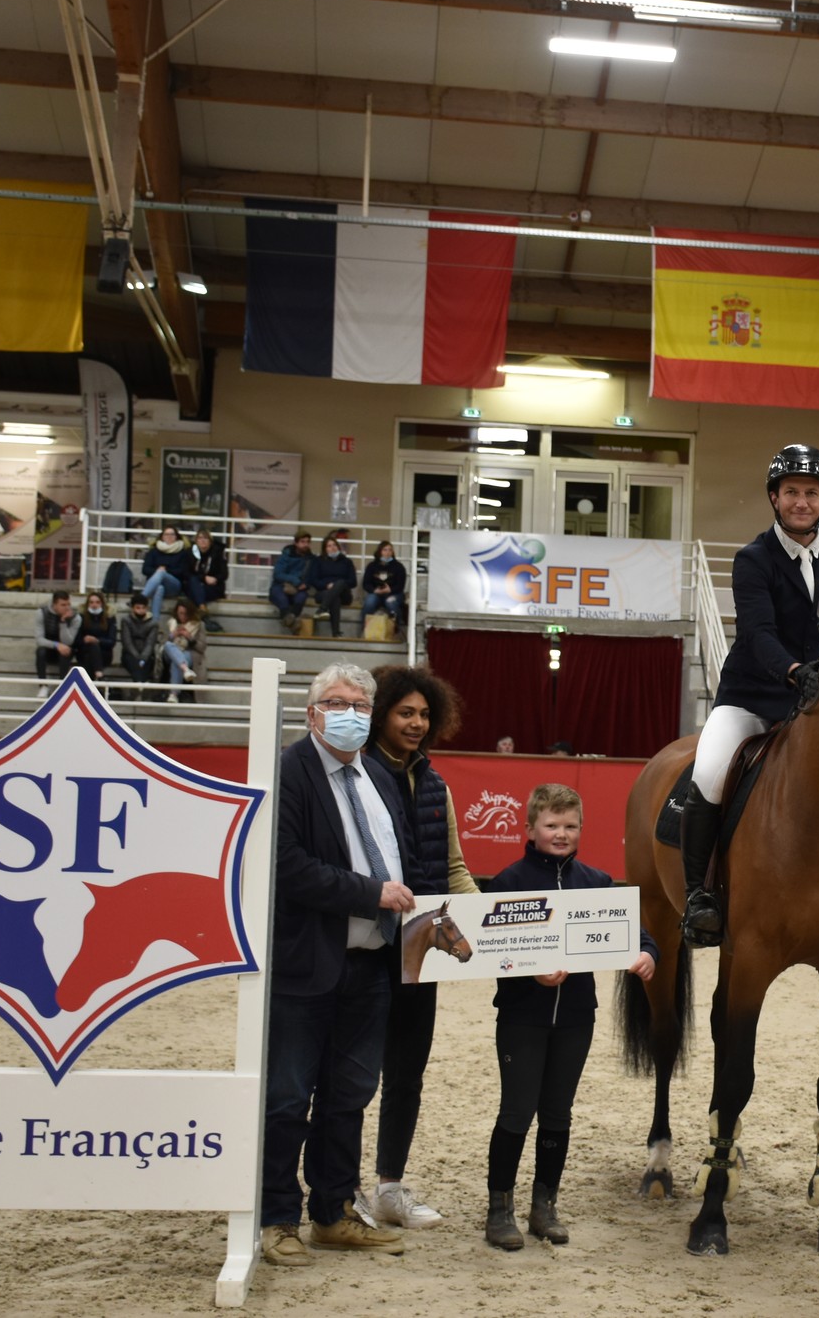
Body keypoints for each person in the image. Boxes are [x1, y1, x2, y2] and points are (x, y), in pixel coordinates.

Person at [680, 444, 819, 953]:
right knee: (710, 773)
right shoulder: (753, 559)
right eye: (791, 492)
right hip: (753, 697)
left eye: (811, 493)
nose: (801, 502)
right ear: (774, 498)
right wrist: (793, 671)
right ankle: (700, 896)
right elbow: (758, 633)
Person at [259, 664, 418, 1267]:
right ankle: (277, 1218)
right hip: (304, 965)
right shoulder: (288, 771)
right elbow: (285, 864)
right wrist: (369, 893)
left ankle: (332, 1213)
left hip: (371, 965)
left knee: (348, 1096)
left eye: (359, 704)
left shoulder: (377, 775)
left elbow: (401, 859)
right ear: (311, 712)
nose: (348, 713)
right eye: (334, 702)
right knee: (286, 1099)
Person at [480, 783, 658, 1250]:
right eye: (552, 825)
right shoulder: (508, 883)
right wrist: (530, 974)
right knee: (517, 1111)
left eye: (570, 826)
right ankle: (499, 1210)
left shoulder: (596, 883)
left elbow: (637, 935)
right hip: (522, 1018)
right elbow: (490, 953)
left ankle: (545, 1206)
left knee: (558, 1113)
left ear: (581, 829)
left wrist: (647, 953)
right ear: (530, 829)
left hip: (577, 1018)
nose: (561, 833)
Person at [354, 665, 480, 1232]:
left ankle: (389, 1188)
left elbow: (454, 869)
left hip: (418, 956)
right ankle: (343, 1188)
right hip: (363, 951)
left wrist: (488, 926)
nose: (416, 723)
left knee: (406, 1076)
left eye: (425, 714)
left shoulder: (436, 785)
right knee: (355, 1076)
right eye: (405, 712)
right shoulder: (355, 777)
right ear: (381, 714)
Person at [140, 525, 192, 623]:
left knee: (161, 572)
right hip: (157, 585)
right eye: (166, 534)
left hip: (174, 585)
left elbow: (183, 571)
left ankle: (141, 599)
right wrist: (158, 570)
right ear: (162, 537)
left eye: (172, 534)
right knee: (159, 588)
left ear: (176, 537)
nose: (169, 537)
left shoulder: (182, 552)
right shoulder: (154, 551)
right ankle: (155, 622)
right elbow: (145, 570)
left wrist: (166, 570)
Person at [311, 534, 359, 637]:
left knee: (340, 583)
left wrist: (336, 585)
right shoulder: (318, 561)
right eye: (329, 546)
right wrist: (326, 585)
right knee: (335, 597)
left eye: (334, 545)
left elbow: (353, 582)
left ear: (338, 547)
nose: (332, 548)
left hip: (344, 594)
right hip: (324, 591)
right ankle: (335, 632)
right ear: (325, 549)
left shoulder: (347, 562)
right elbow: (314, 580)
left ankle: (322, 609)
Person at [164, 598, 208, 703]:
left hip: (189, 652)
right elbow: (162, 643)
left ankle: (174, 694)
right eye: (181, 613)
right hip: (169, 652)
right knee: (168, 645)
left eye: (186, 614)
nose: (183, 616)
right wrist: (173, 635)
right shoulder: (171, 623)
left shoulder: (198, 625)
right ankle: (186, 670)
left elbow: (202, 647)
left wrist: (189, 637)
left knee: (177, 662)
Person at [272, 532, 317, 632]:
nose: (305, 544)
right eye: (302, 542)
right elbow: (278, 574)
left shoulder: (311, 559)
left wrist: (305, 584)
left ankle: (288, 619)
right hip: (282, 585)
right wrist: (296, 581)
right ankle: (293, 623)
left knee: (301, 597)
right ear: (296, 543)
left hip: (300, 588)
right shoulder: (286, 555)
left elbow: (312, 576)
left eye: (308, 542)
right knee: (280, 596)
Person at [116, 592, 161, 694]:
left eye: (143, 608)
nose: (140, 611)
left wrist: (143, 657)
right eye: (138, 608)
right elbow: (127, 642)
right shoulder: (126, 621)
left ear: (147, 608)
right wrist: (137, 657)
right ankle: (141, 687)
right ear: (132, 608)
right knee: (134, 663)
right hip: (129, 655)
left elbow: (150, 643)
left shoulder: (153, 623)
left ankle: (138, 688)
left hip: (147, 655)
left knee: (146, 663)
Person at [185, 528, 229, 629]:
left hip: (213, 587)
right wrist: (204, 578)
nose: (203, 541)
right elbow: (186, 573)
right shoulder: (190, 553)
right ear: (196, 541)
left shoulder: (218, 553)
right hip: (195, 584)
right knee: (193, 582)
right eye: (200, 538)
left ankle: (199, 619)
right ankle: (202, 609)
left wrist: (215, 579)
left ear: (210, 541)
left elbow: (224, 574)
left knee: (194, 593)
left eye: (205, 538)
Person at [33, 590, 80, 680]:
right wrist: (57, 645)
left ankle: (62, 683)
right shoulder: (42, 613)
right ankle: (43, 684)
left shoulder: (76, 618)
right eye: (63, 605)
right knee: (41, 651)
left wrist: (63, 622)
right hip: (49, 648)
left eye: (68, 604)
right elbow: (39, 640)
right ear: (54, 605)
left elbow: (68, 642)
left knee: (65, 651)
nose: (67, 608)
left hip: (66, 649)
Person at [362, 540, 408, 624]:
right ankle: (365, 627)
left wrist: (390, 590)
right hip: (376, 593)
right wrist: (374, 590)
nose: (388, 552)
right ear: (380, 551)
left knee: (390, 602)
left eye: (390, 550)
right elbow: (366, 584)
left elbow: (400, 585)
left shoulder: (399, 567)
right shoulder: (372, 566)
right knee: (369, 602)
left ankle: (397, 626)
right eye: (385, 550)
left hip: (394, 593)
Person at [76, 591, 116, 679]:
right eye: (91, 602)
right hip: (84, 652)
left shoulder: (109, 618)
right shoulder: (81, 618)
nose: (94, 605)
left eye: (97, 602)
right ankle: (99, 675)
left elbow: (112, 641)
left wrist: (97, 640)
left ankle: (90, 683)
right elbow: (77, 641)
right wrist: (85, 640)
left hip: (104, 654)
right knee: (90, 652)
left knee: (93, 648)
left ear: (102, 604)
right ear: (87, 604)